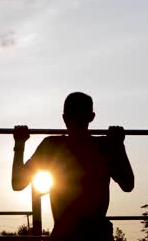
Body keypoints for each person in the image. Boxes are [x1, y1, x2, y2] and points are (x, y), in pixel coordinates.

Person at [11, 92, 134, 241]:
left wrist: (20, 144)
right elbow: (128, 185)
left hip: (68, 233)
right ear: (92, 116)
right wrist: (119, 146)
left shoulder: (52, 146)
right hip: (94, 234)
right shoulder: (104, 146)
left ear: (64, 118)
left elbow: (18, 183)